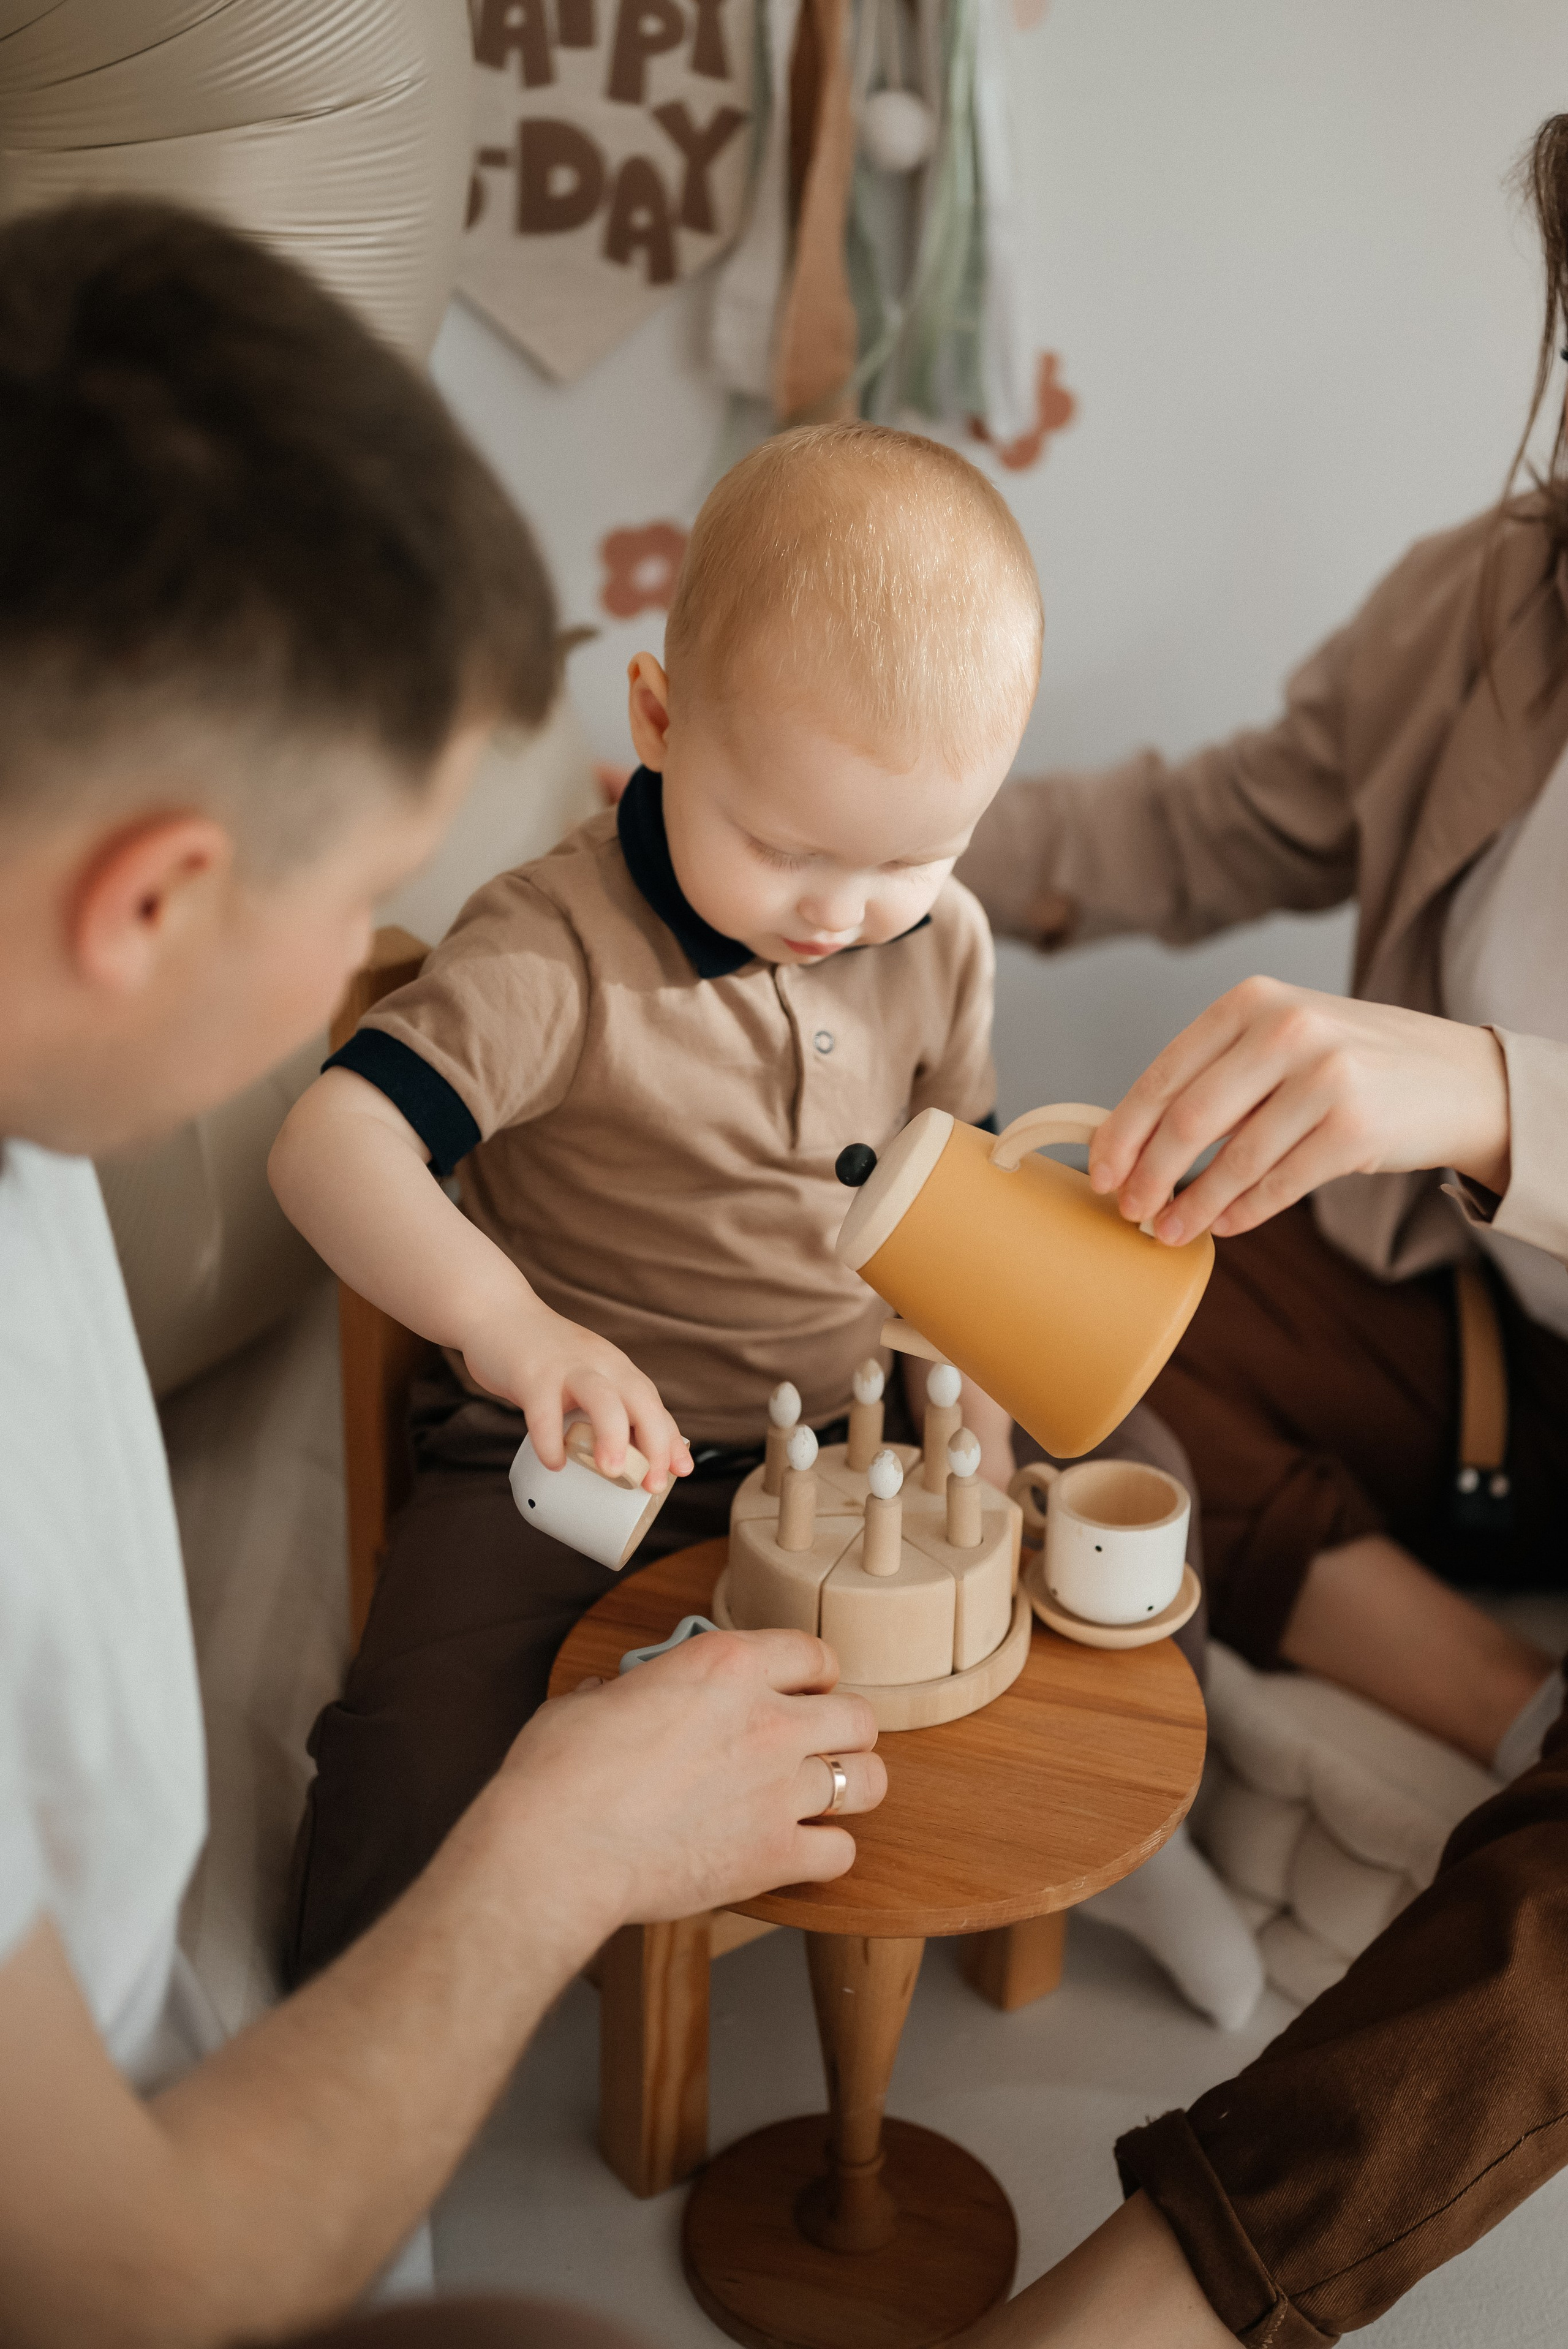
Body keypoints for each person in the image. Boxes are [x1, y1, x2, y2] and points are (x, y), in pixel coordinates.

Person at [0, 196, 887, 2349]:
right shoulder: (553, 951)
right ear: (154, 901)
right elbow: (122, 2277)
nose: (364, 963)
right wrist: (562, 1843)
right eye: (365, 895)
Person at [944, 105, 1568, 2349]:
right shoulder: (1500, 602)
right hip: (1487, 1350)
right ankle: (1507, 1705)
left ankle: (1149, 2305)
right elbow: (1203, 822)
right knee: (1060, 1226)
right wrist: (828, 817)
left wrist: (1497, 1091)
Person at [267, 421, 1038, 1979]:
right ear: (660, 720)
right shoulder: (554, 951)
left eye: (914, 852)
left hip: (857, 1441)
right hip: (582, 1456)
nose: (846, 912)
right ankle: (329, 2057)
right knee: (414, 1742)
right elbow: (326, 1147)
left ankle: (1107, 1857)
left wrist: (988, 1391)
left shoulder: (939, 939)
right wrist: (513, 1333)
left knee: (1127, 1512)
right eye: (785, 846)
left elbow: (969, 1217)